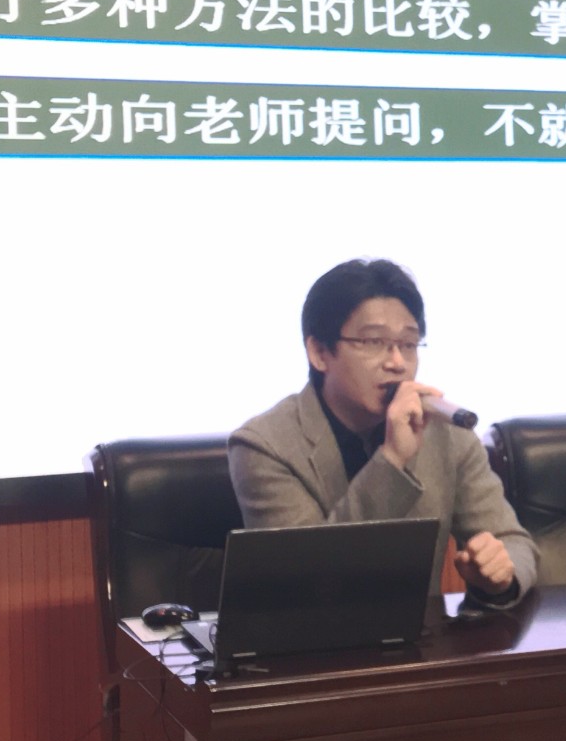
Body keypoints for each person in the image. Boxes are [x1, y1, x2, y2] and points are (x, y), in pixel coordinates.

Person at [229, 258, 538, 606]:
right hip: (311, 636)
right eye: (374, 342)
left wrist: (499, 577)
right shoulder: (265, 446)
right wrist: (392, 460)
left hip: (422, 636)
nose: (397, 363)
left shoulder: (447, 432)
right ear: (319, 352)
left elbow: (514, 542)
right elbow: (309, 582)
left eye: (408, 344)